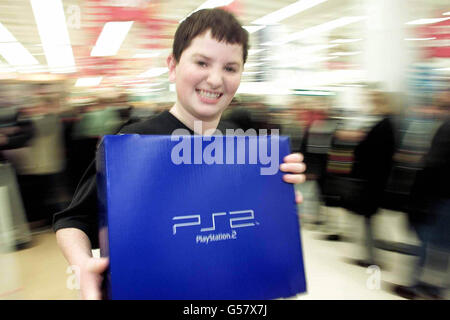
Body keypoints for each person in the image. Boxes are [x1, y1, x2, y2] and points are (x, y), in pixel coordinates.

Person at [53, 8, 306, 300]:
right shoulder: (132, 145)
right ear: (172, 66)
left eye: (230, 68)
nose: (215, 79)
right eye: (202, 62)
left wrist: (280, 200)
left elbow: (247, 228)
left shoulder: (246, 146)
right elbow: (72, 221)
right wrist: (82, 265)